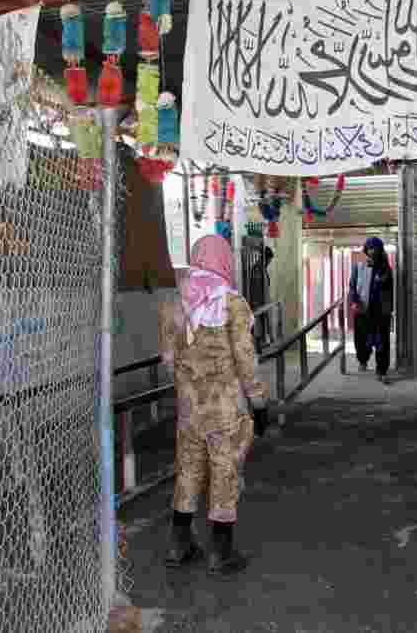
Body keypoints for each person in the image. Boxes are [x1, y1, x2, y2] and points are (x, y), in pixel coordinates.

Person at [158, 235, 268, 576]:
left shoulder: (175, 303)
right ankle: (221, 554)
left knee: (188, 471)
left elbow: (167, 359)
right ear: (223, 261)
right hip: (224, 411)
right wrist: (259, 402)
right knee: (224, 472)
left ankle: (179, 545)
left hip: (189, 411)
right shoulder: (232, 304)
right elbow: (246, 359)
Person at [348, 237, 394, 382]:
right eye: (369, 248)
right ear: (365, 250)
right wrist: (355, 299)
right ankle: (363, 359)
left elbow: (386, 283)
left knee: (382, 341)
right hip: (363, 309)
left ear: (380, 250)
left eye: (375, 248)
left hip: (380, 311)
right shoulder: (358, 265)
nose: (372, 251)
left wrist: (378, 269)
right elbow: (352, 285)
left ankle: (381, 370)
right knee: (361, 339)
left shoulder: (385, 266)